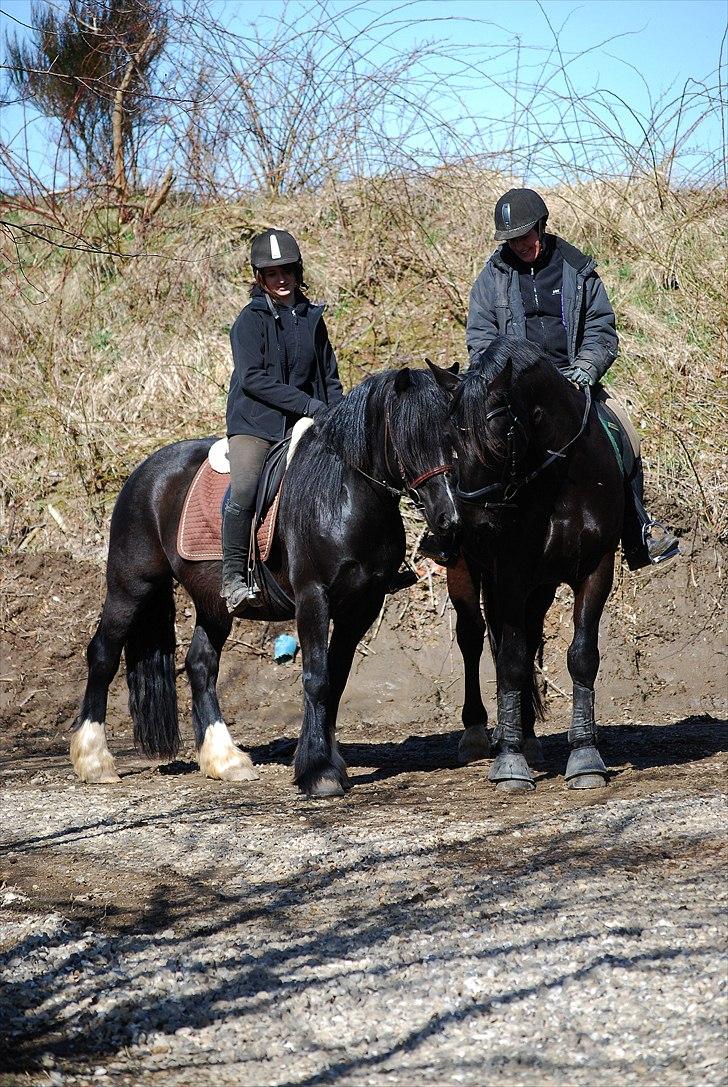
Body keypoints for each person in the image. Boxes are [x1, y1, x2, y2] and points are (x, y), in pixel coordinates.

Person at [466, 187, 679, 568]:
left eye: (524, 236)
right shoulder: (490, 278)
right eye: (511, 240)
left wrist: (585, 368)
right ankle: (459, 536)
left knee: (624, 431)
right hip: (515, 387)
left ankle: (639, 530)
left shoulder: (577, 269)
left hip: (574, 381)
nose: (518, 245)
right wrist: (501, 379)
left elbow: (601, 328)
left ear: (542, 227)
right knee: (471, 438)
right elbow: (481, 339)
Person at [221, 228, 344, 611]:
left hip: (305, 421)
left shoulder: (312, 317)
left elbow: (329, 376)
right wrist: (308, 406)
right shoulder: (249, 321)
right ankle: (233, 577)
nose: (281, 279)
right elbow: (253, 379)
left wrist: (337, 414)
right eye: (272, 273)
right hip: (256, 423)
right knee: (244, 485)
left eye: (287, 270)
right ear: (260, 278)